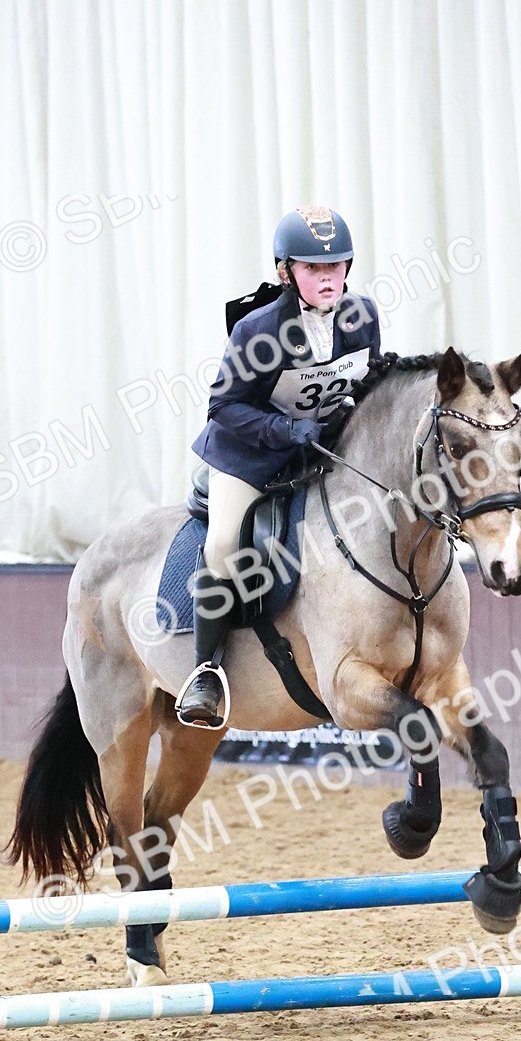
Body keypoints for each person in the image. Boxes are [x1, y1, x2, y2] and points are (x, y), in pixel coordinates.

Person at [176, 205, 381, 728]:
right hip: (248, 457)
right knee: (223, 543)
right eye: (314, 268)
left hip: (318, 453)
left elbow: (365, 381)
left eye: (336, 266)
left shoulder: (362, 317)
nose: (328, 277)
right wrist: (286, 430)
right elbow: (222, 406)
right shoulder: (257, 330)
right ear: (286, 272)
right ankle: (205, 672)